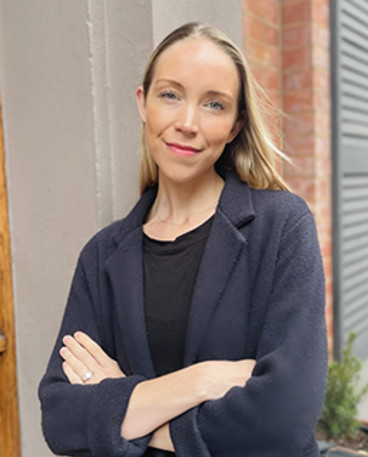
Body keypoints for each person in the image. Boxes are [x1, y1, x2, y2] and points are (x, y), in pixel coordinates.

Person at [39, 22, 327, 457]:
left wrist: (127, 414)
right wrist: (201, 381)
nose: (187, 123)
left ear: (234, 126)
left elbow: (282, 420)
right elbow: (61, 419)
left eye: (214, 104)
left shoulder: (282, 226)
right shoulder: (101, 255)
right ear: (143, 103)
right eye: (170, 95)